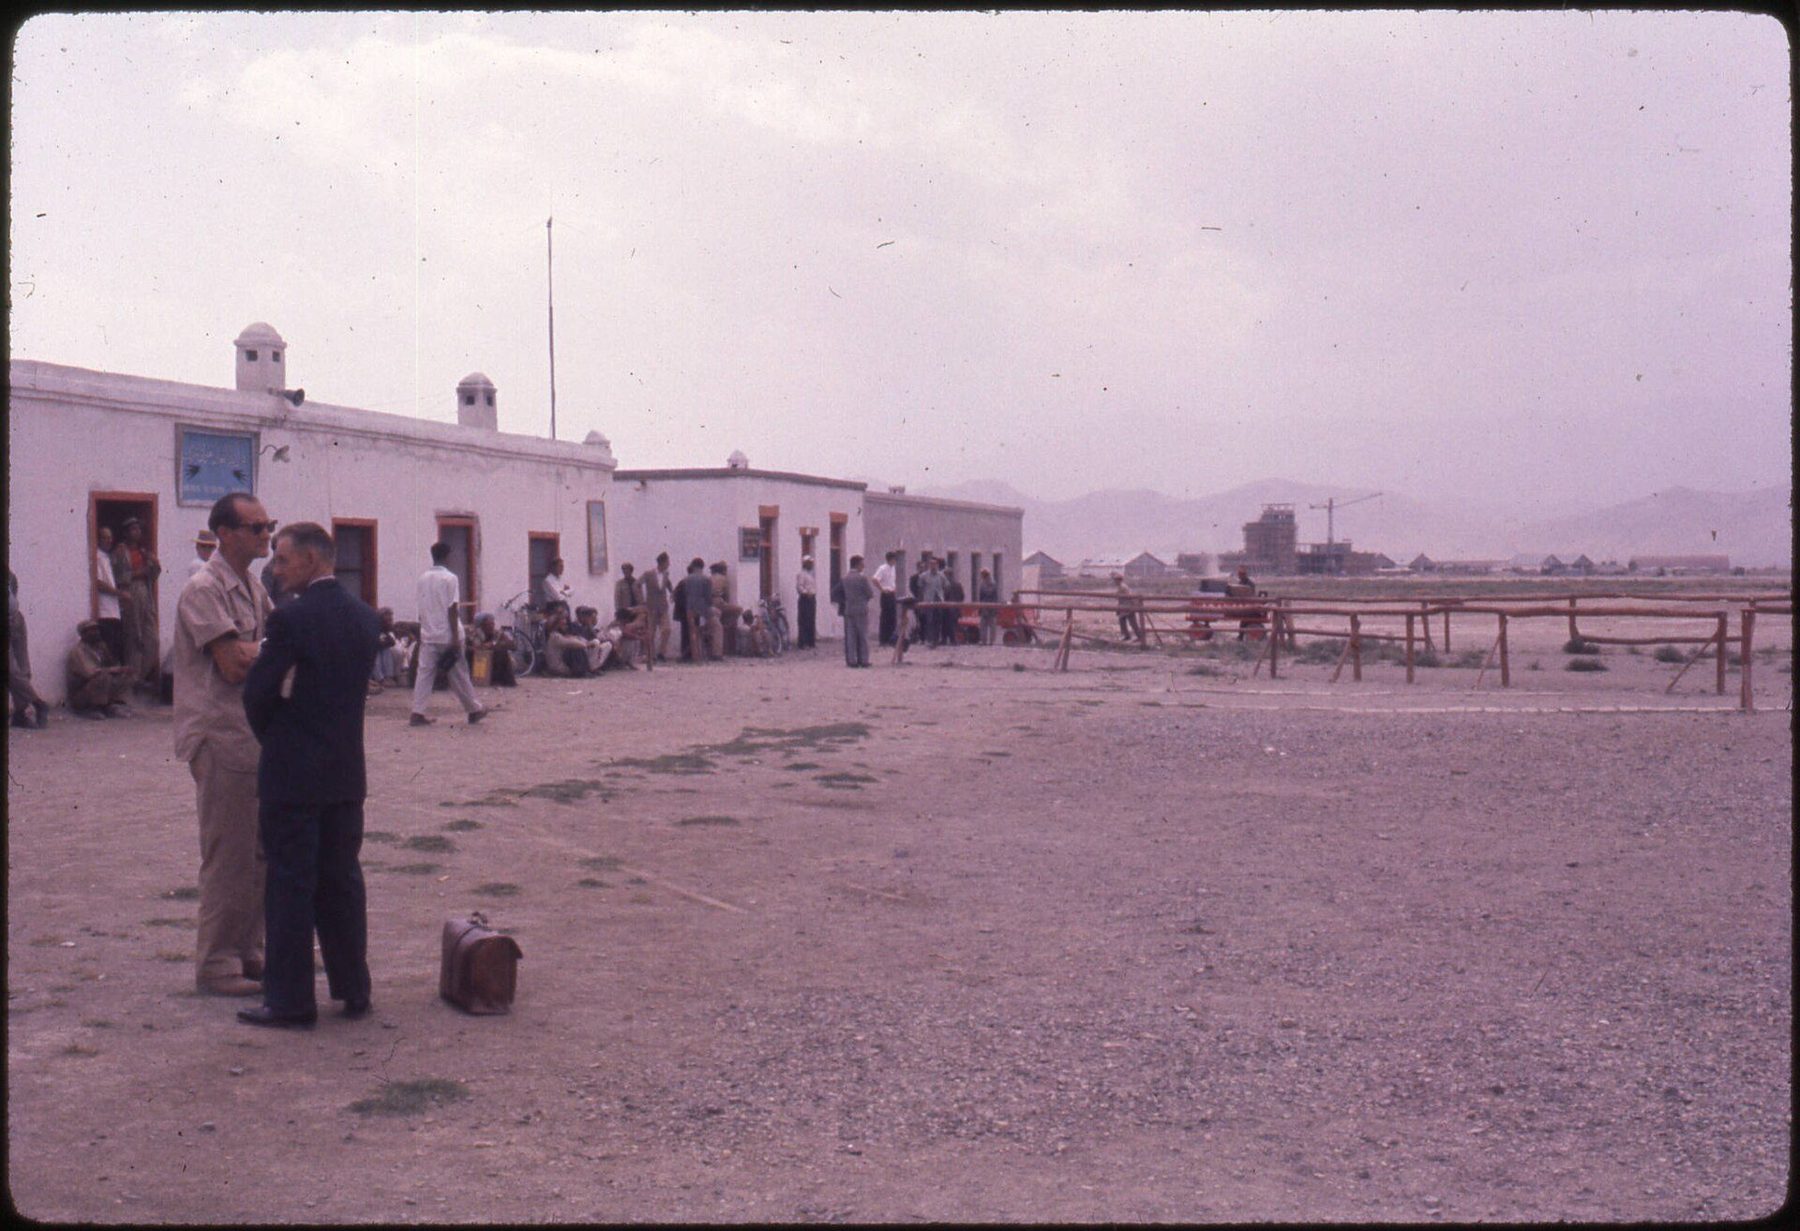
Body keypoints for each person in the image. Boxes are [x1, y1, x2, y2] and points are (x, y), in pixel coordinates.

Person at [239, 522, 381, 1028]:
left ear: (313, 560)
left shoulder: (291, 619)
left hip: (294, 772)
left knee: (290, 884)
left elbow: (257, 693)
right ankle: (353, 988)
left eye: (282, 560)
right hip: (345, 770)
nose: (275, 570)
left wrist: (279, 737)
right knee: (341, 880)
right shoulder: (364, 617)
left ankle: (290, 1000)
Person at [172, 491, 274, 997]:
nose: (265, 536)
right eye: (255, 528)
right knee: (228, 852)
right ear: (225, 533)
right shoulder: (203, 589)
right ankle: (216, 962)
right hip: (219, 734)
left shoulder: (252, 588)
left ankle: (247, 950)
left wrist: (261, 648)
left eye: (268, 526)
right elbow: (232, 663)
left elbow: (263, 649)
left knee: (259, 851)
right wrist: (269, 649)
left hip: (251, 735)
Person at [410, 543, 488, 727]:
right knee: (459, 673)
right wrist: (454, 636)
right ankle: (474, 709)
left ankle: (417, 712)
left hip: (428, 633)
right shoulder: (450, 578)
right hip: (447, 633)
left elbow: (422, 607)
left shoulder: (422, 578)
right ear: (447, 556)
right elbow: (452, 608)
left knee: (424, 674)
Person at [112, 516, 163, 691]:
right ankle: (131, 680)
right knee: (134, 636)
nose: (137, 533)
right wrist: (140, 572)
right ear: (126, 533)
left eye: (138, 529)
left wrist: (154, 565)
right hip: (130, 591)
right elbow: (118, 578)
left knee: (152, 638)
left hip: (145, 591)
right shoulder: (120, 551)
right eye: (133, 529)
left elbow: (154, 575)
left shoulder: (143, 552)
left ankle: (140, 676)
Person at [65, 618, 135, 718]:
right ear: (83, 634)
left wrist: (122, 669)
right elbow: (90, 673)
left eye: (96, 630)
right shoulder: (78, 651)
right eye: (91, 630)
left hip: (101, 687)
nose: (96, 633)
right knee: (103, 676)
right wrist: (113, 670)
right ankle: (93, 708)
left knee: (127, 674)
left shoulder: (101, 647)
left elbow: (112, 664)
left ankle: (115, 704)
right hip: (82, 693)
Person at [8, 572, 51, 729]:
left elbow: (14, 591)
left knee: (23, 667)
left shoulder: (9, 574)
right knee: (11, 670)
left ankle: (20, 714)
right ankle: (38, 703)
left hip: (15, 619)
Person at [93, 526, 126, 665]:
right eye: (105, 537)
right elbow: (99, 583)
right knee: (108, 651)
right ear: (98, 539)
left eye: (110, 537)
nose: (109, 541)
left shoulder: (107, 557)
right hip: (104, 612)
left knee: (117, 649)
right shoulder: (97, 557)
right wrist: (120, 594)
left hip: (114, 612)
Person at [840, 555, 875, 668]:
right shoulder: (862, 578)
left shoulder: (845, 578)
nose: (863, 566)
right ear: (858, 564)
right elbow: (870, 593)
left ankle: (851, 660)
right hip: (861, 609)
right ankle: (863, 659)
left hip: (849, 609)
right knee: (863, 636)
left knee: (851, 636)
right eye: (862, 564)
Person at [679, 558, 716, 662]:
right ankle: (706, 655)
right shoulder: (707, 579)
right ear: (702, 567)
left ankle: (696, 657)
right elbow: (708, 597)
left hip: (690, 607)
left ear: (693, 566)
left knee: (692, 632)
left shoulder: (687, 579)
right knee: (708, 629)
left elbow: (686, 593)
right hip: (703, 608)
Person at [467, 612, 518, 687]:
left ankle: (504, 681)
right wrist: (480, 648)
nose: (491, 626)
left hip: (494, 664)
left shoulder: (497, 633)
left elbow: (513, 645)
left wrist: (493, 645)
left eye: (492, 624)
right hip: (479, 665)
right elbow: (471, 648)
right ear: (481, 626)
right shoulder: (473, 635)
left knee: (502, 653)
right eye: (488, 625)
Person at [541, 606, 593, 676]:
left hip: (558, 665)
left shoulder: (557, 635)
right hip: (559, 667)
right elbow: (577, 644)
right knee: (576, 649)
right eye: (563, 619)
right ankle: (582, 671)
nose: (566, 622)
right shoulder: (555, 637)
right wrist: (586, 644)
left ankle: (585, 670)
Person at [645, 553, 674, 663]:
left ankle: (661, 652)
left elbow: (668, 584)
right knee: (651, 632)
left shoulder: (666, 574)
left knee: (666, 629)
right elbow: (638, 584)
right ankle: (651, 655)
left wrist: (672, 593)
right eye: (667, 562)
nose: (669, 564)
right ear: (663, 562)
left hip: (662, 607)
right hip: (652, 607)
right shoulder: (650, 574)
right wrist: (643, 601)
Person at [370, 608, 408, 687]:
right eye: (388, 619)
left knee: (386, 650)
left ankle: (389, 676)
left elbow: (391, 642)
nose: (391, 621)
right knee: (375, 653)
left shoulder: (386, 629)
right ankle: (380, 678)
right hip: (370, 650)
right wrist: (381, 643)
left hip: (381, 647)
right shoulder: (372, 626)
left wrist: (382, 642)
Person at [612, 564, 641, 667]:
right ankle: (624, 658)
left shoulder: (636, 582)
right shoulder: (620, 584)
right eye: (623, 570)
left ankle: (632, 659)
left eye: (627, 570)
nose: (625, 572)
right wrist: (619, 612)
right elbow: (617, 598)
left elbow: (640, 597)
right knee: (625, 634)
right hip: (624, 612)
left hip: (635, 611)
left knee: (635, 634)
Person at [709, 562, 736, 658]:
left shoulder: (709, 578)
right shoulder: (724, 579)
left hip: (708, 603)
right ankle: (731, 645)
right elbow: (727, 595)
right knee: (737, 610)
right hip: (718, 601)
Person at [873, 551, 899, 647]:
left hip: (892, 593)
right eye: (894, 559)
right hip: (886, 594)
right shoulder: (882, 568)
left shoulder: (893, 569)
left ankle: (891, 639)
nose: (895, 561)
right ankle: (883, 639)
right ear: (890, 559)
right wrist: (882, 589)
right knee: (885, 617)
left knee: (893, 617)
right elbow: (874, 579)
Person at [920, 557, 947, 647]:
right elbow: (920, 587)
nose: (933, 566)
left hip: (939, 600)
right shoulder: (924, 576)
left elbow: (946, 586)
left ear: (938, 565)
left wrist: (941, 596)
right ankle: (929, 639)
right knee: (929, 620)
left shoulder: (941, 576)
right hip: (928, 601)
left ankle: (936, 639)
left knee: (938, 621)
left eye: (935, 564)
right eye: (931, 564)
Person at [794, 556, 818, 649]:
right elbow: (799, 586)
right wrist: (805, 593)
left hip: (812, 598)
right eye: (810, 563)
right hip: (805, 599)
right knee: (804, 620)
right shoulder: (801, 574)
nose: (812, 564)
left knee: (811, 620)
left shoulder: (811, 574)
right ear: (805, 563)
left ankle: (811, 641)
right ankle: (802, 643)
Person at [1114, 573, 1144, 643]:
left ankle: (1139, 636)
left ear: (1119, 580)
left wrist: (1132, 605)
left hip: (1128, 606)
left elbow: (1126, 596)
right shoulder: (1120, 587)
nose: (1114, 582)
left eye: (1115, 580)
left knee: (1132, 622)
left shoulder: (1123, 587)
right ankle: (1127, 635)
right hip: (1123, 606)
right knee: (1122, 620)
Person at [975, 568, 1000, 646]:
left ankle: (986, 641)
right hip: (988, 607)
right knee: (987, 625)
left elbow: (983, 597)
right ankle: (989, 641)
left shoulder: (986, 584)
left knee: (986, 625)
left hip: (989, 607)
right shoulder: (991, 584)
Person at [943, 567, 966, 645]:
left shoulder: (946, 585)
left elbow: (945, 596)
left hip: (948, 608)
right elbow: (962, 596)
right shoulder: (958, 584)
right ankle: (951, 640)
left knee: (948, 624)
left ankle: (950, 640)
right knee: (953, 624)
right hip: (956, 608)